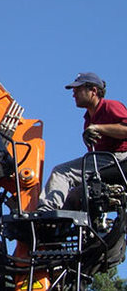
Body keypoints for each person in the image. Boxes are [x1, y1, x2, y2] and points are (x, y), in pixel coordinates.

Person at [37, 72, 127, 211]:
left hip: (118, 158)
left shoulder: (110, 106)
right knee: (75, 195)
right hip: (104, 161)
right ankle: (56, 227)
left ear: (93, 91)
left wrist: (98, 128)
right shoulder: (88, 119)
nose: (74, 95)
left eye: (78, 90)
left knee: (62, 172)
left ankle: (46, 210)